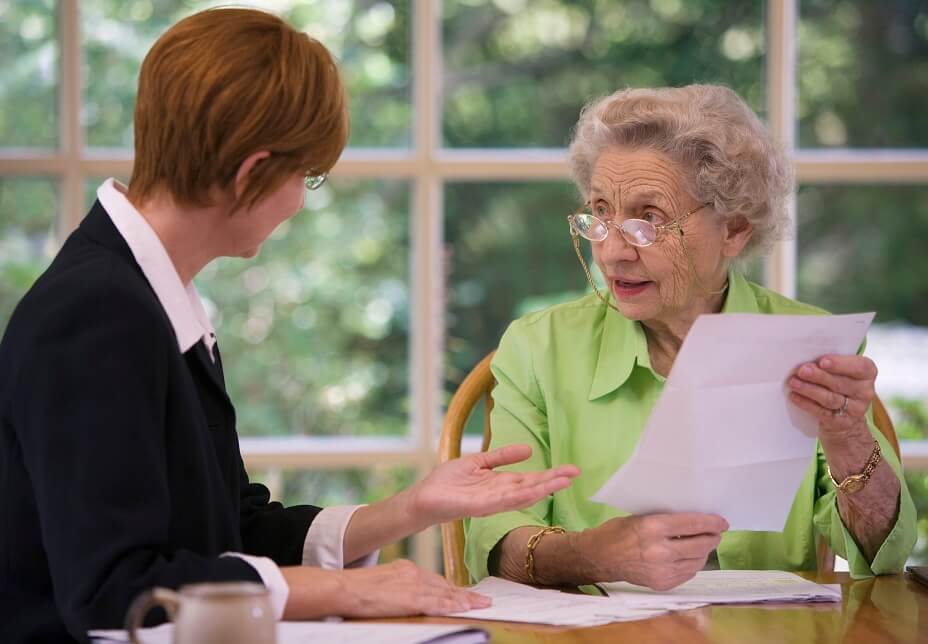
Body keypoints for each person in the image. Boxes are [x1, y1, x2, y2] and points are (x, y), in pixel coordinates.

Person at [0, 9, 580, 642]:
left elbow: (235, 532)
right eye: (305, 176)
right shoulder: (97, 316)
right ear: (252, 172)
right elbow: (115, 590)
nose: (301, 202)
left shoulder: (150, 299)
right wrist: (345, 590)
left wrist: (411, 508)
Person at [465, 84, 916, 590]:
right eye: (600, 213)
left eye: (647, 220)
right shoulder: (538, 348)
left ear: (736, 229)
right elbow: (493, 542)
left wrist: (849, 439)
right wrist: (593, 555)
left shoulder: (809, 346)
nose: (612, 252)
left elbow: (884, 556)